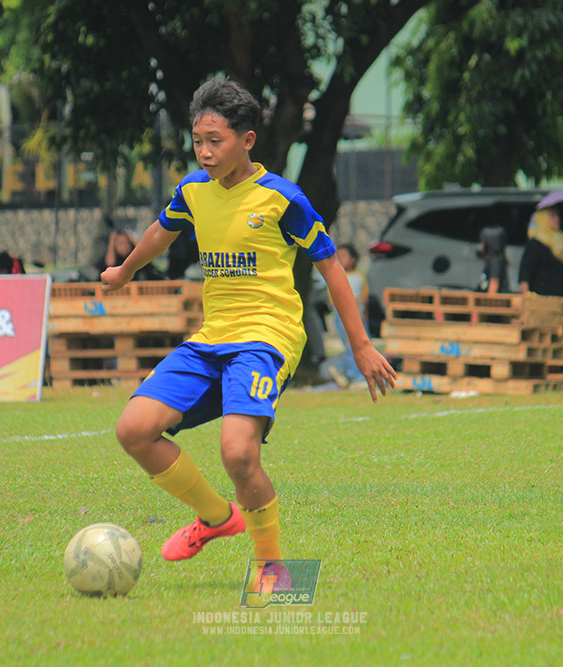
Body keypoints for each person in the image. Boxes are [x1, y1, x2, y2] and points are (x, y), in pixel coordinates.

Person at [101, 77, 396, 573]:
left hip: (266, 338)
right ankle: (216, 518)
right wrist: (126, 271)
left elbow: (332, 269)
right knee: (134, 430)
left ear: (247, 141)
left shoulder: (282, 198)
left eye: (215, 142)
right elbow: (161, 231)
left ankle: (272, 570)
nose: (205, 153)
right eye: (198, 141)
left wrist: (361, 346)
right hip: (211, 339)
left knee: (238, 453)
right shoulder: (194, 191)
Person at [320, 244, 369, 388]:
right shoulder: (338, 276)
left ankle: (352, 374)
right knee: (351, 345)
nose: (340, 260)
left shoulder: (359, 276)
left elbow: (364, 296)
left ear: (353, 259)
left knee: (362, 344)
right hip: (342, 314)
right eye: (337, 256)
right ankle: (343, 370)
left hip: (358, 313)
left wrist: (364, 312)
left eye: (343, 256)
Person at [518, 206, 563, 299]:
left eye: (557, 215)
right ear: (542, 219)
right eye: (552, 216)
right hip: (546, 301)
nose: (557, 219)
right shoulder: (536, 243)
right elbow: (525, 274)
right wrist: (527, 301)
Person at [477, 225, 510, 294]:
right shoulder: (495, 260)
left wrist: (487, 303)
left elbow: (493, 284)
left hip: (496, 302)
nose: (480, 246)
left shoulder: (495, 261)